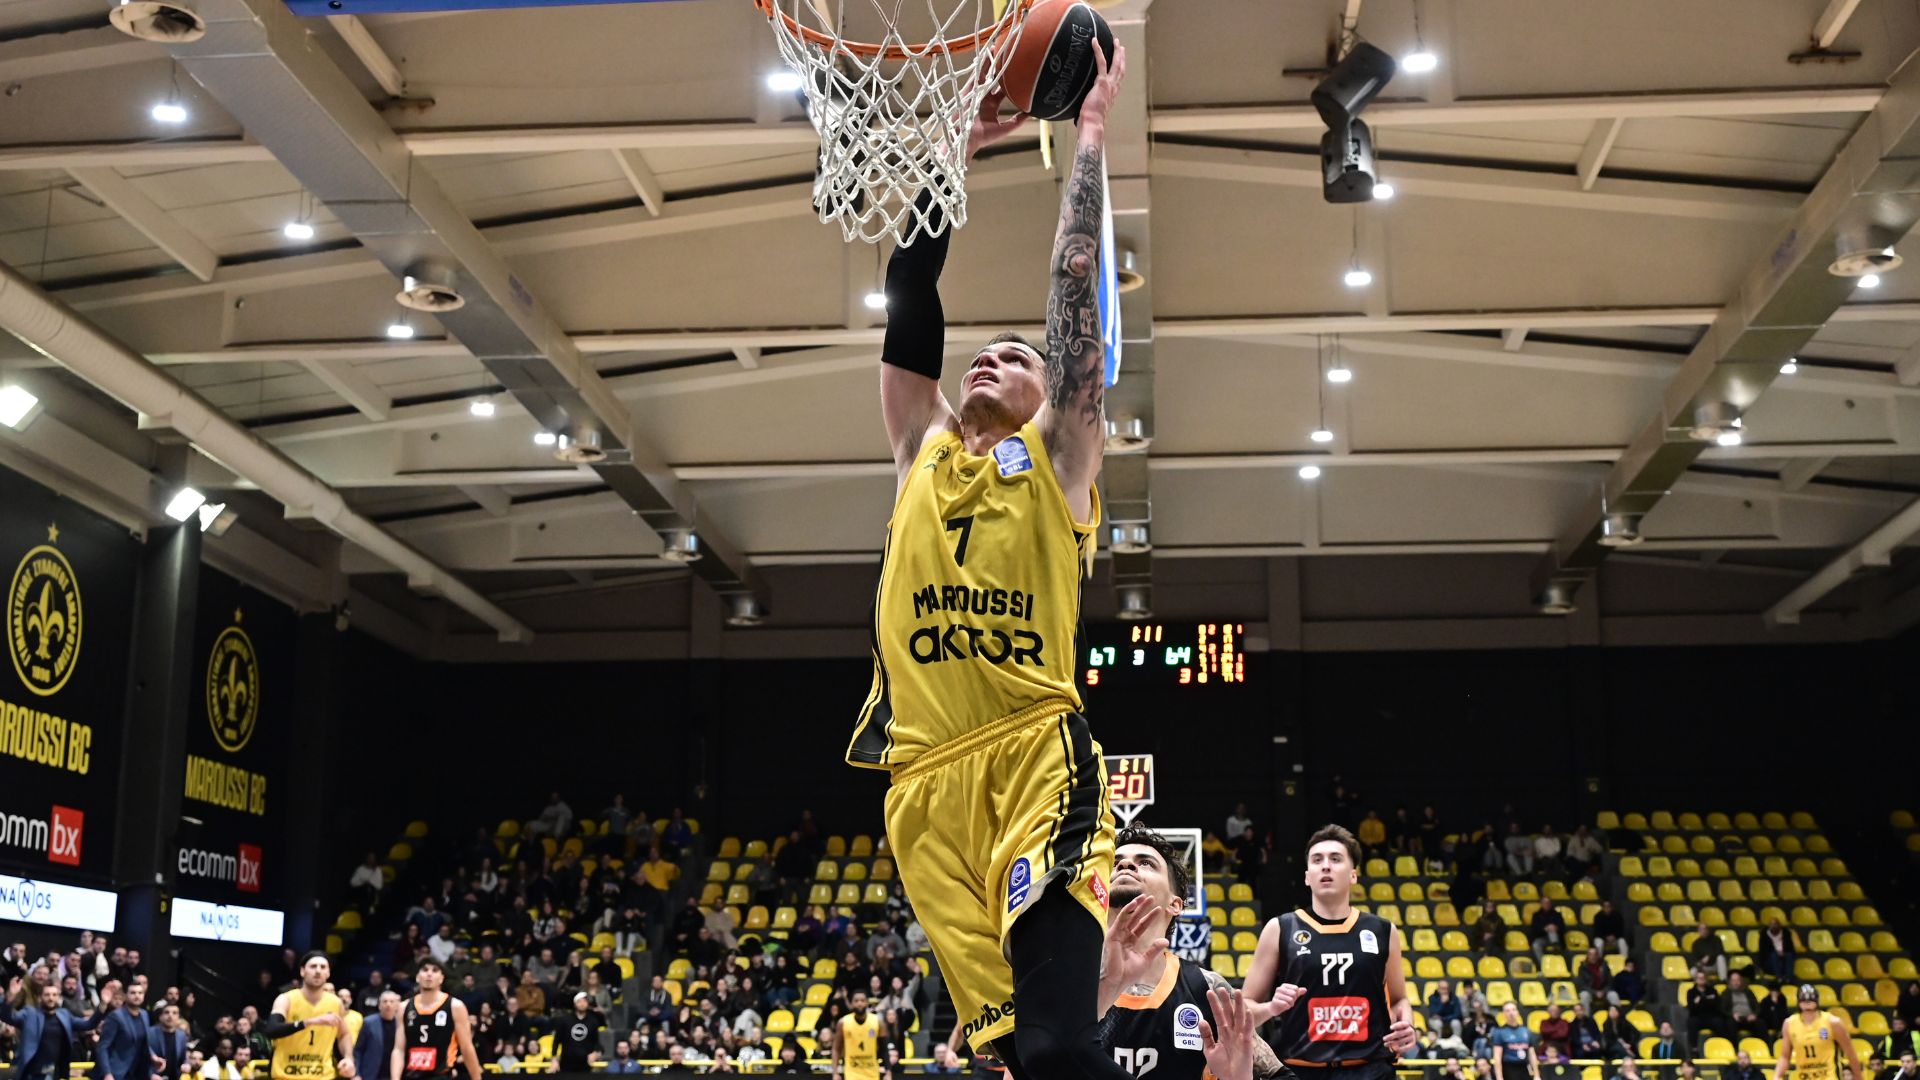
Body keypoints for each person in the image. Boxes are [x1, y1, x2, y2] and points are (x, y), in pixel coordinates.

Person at [845, 38, 1137, 1080]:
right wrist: (949, 158)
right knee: (1015, 1055)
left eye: (1016, 358)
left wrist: (1089, 134)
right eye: (983, 352)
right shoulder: (919, 445)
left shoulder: (1059, 458)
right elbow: (911, 290)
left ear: (1051, 395)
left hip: (1033, 759)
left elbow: (1074, 294)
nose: (989, 358)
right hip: (920, 787)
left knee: (1060, 1043)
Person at [1095, 823, 1284, 1080]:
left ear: (1175, 904)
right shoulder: (1068, 980)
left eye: (1146, 863)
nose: (1125, 865)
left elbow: (1280, 1075)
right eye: (1115, 863)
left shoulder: (1207, 989)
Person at [1244, 824, 1419, 1080]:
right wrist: (1271, 1007)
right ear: (1307, 876)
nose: (1326, 866)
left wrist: (1408, 1024)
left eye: (1336, 859)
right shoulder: (1280, 928)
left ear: (1353, 875)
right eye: (1317, 860)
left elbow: (1400, 999)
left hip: (1370, 1069)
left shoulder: (1382, 930)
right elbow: (1246, 1008)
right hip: (1301, 1070)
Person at [0, 975, 114, 1078]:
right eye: (47, 995)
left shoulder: (64, 1015)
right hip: (30, 1072)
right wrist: (10, 997)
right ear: (40, 997)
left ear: (58, 997)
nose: (51, 998)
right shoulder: (29, 1014)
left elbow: (88, 1024)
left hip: (54, 1071)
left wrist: (103, 1004)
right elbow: (8, 1017)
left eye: (54, 995)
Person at [264, 953, 356, 1080]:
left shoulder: (335, 1003)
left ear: (328, 973)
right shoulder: (286, 999)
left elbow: (344, 1034)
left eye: (323, 967)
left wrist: (348, 1057)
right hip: (287, 1075)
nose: (318, 971)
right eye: (313, 966)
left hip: (322, 1075)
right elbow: (271, 1029)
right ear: (302, 971)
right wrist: (310, 1022)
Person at [392, 960, 482, 1080]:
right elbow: (399, 1050)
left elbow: (466, 1048)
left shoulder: (455, 1006)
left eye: (434, 970)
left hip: (441, 1075)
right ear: (418, 977)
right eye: (425, 970)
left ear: (441, 978)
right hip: (411, 1075)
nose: (429, 974)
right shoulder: (404, 1008)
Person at [1777, 984, 1862, 1080]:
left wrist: (1858, 1077)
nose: (1807, 1002)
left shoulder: (1833, 1022)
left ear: (1817, 1001)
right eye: (1804, 1000)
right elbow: (1785, 1056)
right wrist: (1777, 1076)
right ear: (1798, 1002)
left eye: (1810, 1000)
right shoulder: (1789, 1024)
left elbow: (1850, 1053)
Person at [99, 978, 155, 1080]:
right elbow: (103, 1047)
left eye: (140, 993)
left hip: (138, 1073)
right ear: (125, 996)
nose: (137, 996)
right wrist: (107, 1073)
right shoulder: (115, 1016)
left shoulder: (144, 1014)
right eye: (133, 993)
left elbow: (143, 1043)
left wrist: (153, 1056)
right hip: (117, 1072)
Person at [833, 991, 886, 1080]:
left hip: (872, 1074)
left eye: (862, 1000)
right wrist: (835, 1072)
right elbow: (836, 1049)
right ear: (851, 1003)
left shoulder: (877, 1021)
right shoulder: (843, 1022)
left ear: (867, 1002)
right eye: (856, 1001)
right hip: (851, 1074)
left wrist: (888, 1072)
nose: (859, 1003)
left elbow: (884, 1049)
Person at [549, 992, 604, 1074]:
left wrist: (595, 1053)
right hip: (566, 1064)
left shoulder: (593, 1021)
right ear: (574, 1004)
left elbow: (596, 1042)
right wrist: (554, 1059)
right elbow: (556, 1041)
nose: (582, 1004)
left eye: (584, 1001)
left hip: (585, 1065)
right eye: (579, 1001)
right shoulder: (564, 1020)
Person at [1490, 1003, 1537, 1080]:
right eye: (1507, 1011)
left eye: (1513, 1010)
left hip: (1524, 1068)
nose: (1511, 1013)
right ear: (1504, 1014)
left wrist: (1536, 1075)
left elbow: (1532, 1054)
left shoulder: (1526, 1031)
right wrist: (1499, 1077)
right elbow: (1497, 1057)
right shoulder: (1500, 1032)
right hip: (1509, 1068)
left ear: (1517, 1012)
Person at [153, 1002, 191, 1080]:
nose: (170, 1015)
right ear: (160, 1016)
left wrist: (186, 1064)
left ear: (178, 1018)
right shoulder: (150, 1033)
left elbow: (184, 1057)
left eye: (174, 1013)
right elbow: (142, 1057)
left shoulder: (181, 1036)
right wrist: (150, 1074)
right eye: (167, 1012)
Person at [1685, 972, 1721, 1044]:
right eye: (1699, 978)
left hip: (1711, 1017)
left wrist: (1699, 1003)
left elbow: (1716, 1005)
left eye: (1703, 978)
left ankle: (1721, 1043)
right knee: (1691, 1022)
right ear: (1695, 980)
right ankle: (1694, 1047)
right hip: (1697, 1017)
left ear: (1706, 979)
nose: (1701, 979)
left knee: (1720, 1021)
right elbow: (1691, 1008)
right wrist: (1706, 1002)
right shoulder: (1691, 992)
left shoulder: (1712, 990)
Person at [1530, 900, 1566, 965]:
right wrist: (1544, 929)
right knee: (1536, 945)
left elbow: (1563, 928)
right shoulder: (1536, 916)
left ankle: (1556, 950)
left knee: (1552, 932)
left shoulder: (1557, 915)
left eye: (1548, 903)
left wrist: (1556, 928)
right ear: (1541, 904)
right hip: (1541, 937)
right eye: (1545, 903)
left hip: (1556, 937)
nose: (1546, 904)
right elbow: (1534, 930)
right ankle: (1543, 965)